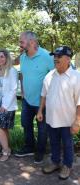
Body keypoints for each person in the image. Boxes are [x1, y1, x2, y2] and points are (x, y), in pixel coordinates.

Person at [37, 46, 80, 180]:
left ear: (68, 59)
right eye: (54, 56)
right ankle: (55, 162)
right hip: (51, 119)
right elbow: (44, 95)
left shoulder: (76, 77)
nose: (55, 59)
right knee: (54, 142)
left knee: (67, 144)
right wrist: (40, 111)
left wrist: (77, 121)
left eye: (59, 56)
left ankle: (67, 165)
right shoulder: (50, 75)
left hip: (67, 121)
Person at [14, 31, 54, 164]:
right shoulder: (23, 57)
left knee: (42, 129)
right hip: (27, 100)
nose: (19, 44)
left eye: (21, 42)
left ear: (31, 42)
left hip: (43, 102)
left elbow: (58, 74)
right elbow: (23, 75)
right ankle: (29, 147)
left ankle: (40, 151)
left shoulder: (46, 56)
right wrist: (24, 92)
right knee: (26, 125)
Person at [0, 49, 18, 161]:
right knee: (3, 128)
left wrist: (5, 105)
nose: (0, 59)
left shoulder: (12, 71)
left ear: (6, 58)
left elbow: (13, 89)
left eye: (2, 56)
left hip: (7, 105)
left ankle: (5, 151)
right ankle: (8, 149)